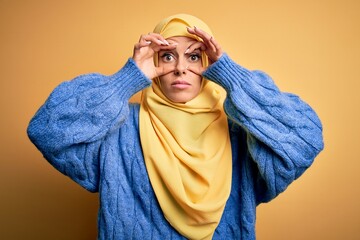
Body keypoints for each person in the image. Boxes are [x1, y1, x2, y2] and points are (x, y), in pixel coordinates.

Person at [27, 14, 324, 240]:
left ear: (209, 64)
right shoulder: (119, 128)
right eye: (167, 56)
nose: (181, 68)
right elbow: (46, 131)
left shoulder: (239, 131)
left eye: (195, 57)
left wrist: (233, 76)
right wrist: (128, 78)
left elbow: (306, 139)